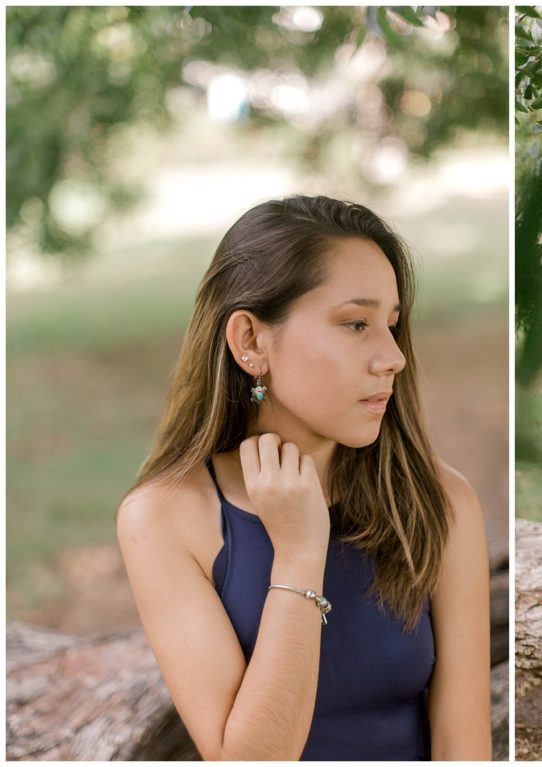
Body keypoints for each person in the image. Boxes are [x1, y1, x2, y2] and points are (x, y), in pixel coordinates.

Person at [117, 195, 492, 760]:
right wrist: (297, 552)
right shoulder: (166, 518)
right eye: (355, 323)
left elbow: (462, 745)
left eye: (392, 325)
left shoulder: (439, 501)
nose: (393, 357)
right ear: (250, 341)